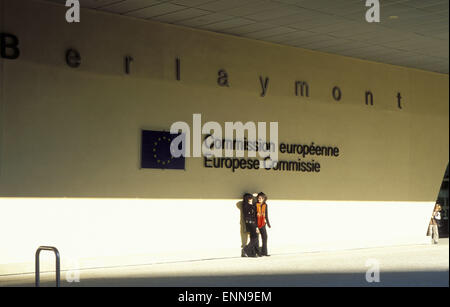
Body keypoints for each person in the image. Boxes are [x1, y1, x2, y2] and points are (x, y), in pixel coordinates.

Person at [242, 193, 259, 257]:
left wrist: (256, 226)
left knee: (253, 238)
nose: (251, 199)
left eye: (251, 198)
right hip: (250, 223)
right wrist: (252, 195)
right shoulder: (245, 205)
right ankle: (245, 250)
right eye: (249, 198)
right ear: (246, 199)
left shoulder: (253, 205)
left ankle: (251, 253)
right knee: (255, 238)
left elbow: (254, 216)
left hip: (253, 223)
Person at [256, 192, 271, 256]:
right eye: (258, 198)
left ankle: (264, 252)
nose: (259, 199)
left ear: (264, 199)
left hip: (263, 224)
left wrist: (268, 223)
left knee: (265, 237)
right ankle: (258, 253)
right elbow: (254, 216)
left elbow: (266, 215)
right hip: (256, 223)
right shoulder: (255, 204)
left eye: (261, 198)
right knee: (256, 239)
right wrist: (255, 226)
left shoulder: (265, 205)